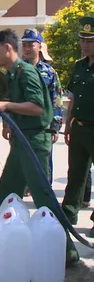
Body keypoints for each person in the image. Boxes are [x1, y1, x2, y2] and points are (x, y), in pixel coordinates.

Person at [0, 28, 79, 267]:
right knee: (8, 189)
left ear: (7, 48)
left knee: (42, 194)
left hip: (34, 139)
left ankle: (67, 250)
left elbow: (37, 107)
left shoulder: (26, 72)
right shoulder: (13, 74)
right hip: (21, 139)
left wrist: (6, 105)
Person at [62, 16, 94, 239]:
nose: (84, 44)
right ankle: (68, 215)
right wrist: (67, 124)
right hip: (79, 128)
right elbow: (73, 98)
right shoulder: (79, 66)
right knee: (76, 174)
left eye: (90, 41)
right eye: (83, 40)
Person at [21, 28, 63, 185]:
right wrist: (7, 125)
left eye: (30, 44)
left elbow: (56, 99)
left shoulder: (49, 72)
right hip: (22, 124)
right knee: (22, 159)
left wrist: (55, 126)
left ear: (39, 46)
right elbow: (10, 98)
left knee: (44, 160)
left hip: (43, 126)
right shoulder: (17, 71)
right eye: (24, 45)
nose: (26, 48)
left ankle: (44, 189)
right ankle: (25, 188)